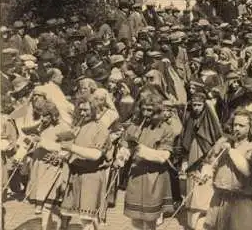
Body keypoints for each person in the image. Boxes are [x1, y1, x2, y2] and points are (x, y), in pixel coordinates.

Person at [122, 95, 176, 230]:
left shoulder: (166, 129)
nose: (146, 114)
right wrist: (123, 154)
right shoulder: (134, 126)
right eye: (144, 109)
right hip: (136, 174)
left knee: (150, 220)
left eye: (150, 110)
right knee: (135, 220)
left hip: (154, 177)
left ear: (157, 111)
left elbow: (163, 156)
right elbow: (126, 147)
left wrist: (140, 149)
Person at [204, 109, 252, 230]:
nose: (236, 128)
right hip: (219, 197)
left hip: (241, 200)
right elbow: (210, 163)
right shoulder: (223, 141)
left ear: (250, 127)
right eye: (234, 124)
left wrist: (231, 151)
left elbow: (247, 171)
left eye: (241, 125)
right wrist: (206, 172)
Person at [60, 96, 112, 230]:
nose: (82, 113)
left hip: (91, 176)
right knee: (67, 214)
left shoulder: (101, 128)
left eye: (86, 110)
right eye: (80, 110)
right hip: (75, 175)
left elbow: (95, 155)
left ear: (95, 109)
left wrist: (71, 147)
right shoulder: (79, 126)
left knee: (87, 219)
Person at [180, 92, 224, 230]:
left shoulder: (209, 118)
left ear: (204, 105)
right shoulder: (189, 117)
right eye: (194, 105)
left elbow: (216, 136)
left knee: (202, 183)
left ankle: (203, 216)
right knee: (191, 181)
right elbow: (185, 136)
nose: (197, 108)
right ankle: (190, 219)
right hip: (192, 151)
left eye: (199, 105)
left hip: (205, 153)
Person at [26, 101, 71, 230]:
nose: (43, 119)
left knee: (49, 201)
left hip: (52, 166)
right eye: (41, 115)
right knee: (43, 201)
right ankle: (51, 225)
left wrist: (45, 144)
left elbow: (66, 148)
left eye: (46, 116)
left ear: (53, 115)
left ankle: (54, 224)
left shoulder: (63, 127)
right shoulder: (41, 127)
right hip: (39, 165)